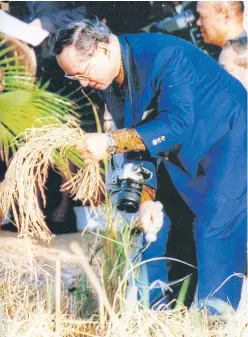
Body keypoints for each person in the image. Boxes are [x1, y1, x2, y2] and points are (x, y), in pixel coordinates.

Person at [53, 19, 247, 313]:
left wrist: (108, 142)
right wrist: (145, 200)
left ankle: (214, 325)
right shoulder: (106, 79)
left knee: (213, 233)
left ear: (104, 49)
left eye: (83, 72)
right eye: (73, 77)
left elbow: (177, 122)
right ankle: (157, 320)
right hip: (178, 153)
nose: (82, 83)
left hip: (227, 143)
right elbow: (134, 142)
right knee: (155, 232)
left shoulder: (165, 55)